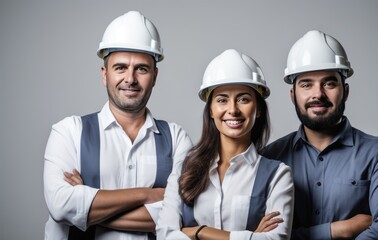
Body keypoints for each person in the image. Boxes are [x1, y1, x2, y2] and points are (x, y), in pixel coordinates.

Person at [43, 11, 192, 240]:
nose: (130, 79)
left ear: (155, 76)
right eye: (120, 67)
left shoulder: (176, 137)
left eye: (141, 68)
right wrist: (150, 194)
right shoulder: (69, 132)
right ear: (105, 74)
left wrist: (86, 205)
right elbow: (60, 207)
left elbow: (184, 214)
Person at [261, 30, 378, 239]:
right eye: (306, 84)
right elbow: (256, 234)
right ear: (293, 95)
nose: (318, 94)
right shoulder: (270, 159)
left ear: (345, 91)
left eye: (329, 83)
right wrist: (340, 230)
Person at [156, 49, 294, 240]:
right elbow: (165, 234)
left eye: (243, 99)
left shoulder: (278, 175)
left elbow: (276, 239)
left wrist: (199, 232)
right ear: (211, 110)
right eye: (222, 100)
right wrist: (251, 236)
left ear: (259, 108)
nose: (233, 110)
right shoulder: (183, 168)